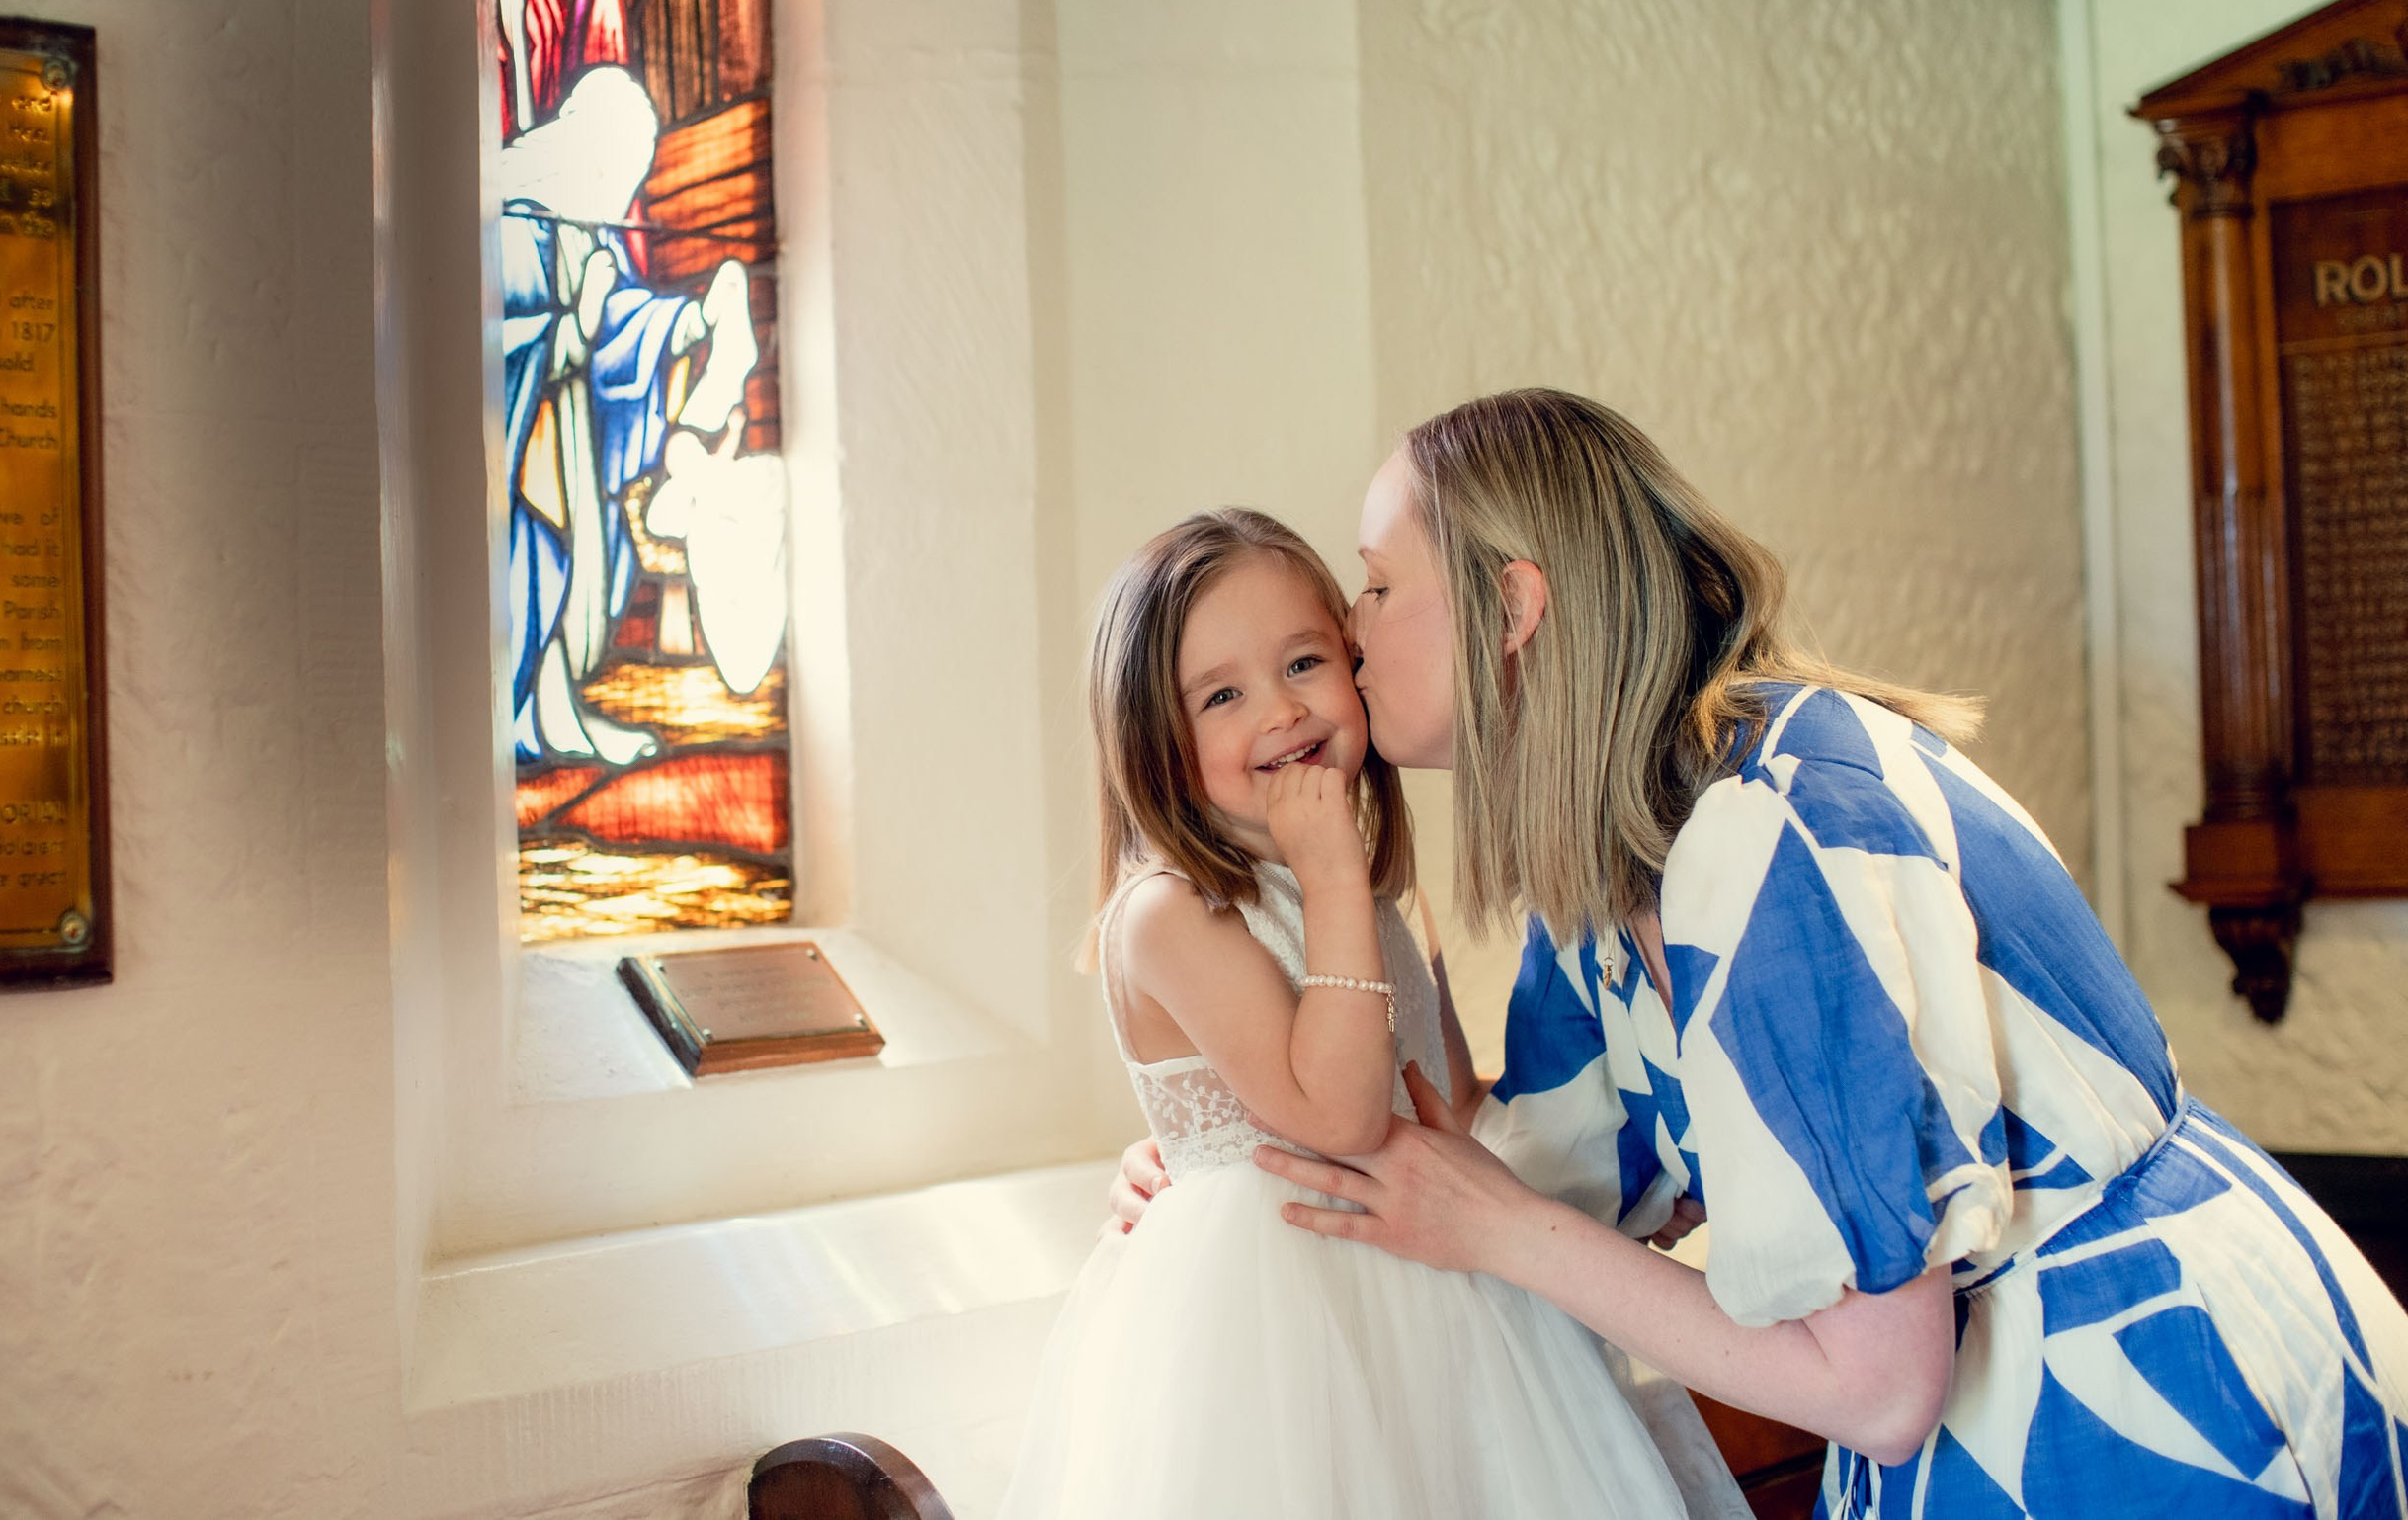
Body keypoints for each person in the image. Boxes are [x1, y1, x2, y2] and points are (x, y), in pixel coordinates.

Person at [1110, 389, 2408, 1517]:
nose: (1348, 625)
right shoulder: (1608, 865)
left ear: (1512, 607)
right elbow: (1528, 1178)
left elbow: (1882, 1385)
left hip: (2145, 1400)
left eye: (1380, 584)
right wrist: (1233, 1158)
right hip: (1981, 1410)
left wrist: (1493, 1222)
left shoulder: (1771, 826)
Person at [1001, 509, 1746, 1519]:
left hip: (1444, 1306)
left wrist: (1647, 1178)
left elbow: (1451, 1114)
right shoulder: (1169, 912)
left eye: (1305, 661)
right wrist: (1331, 875)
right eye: (1222, 693)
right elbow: (1341, 1114)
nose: (1281, 709)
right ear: (1157, 744)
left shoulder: (1366, 900)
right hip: (1277, 1343)